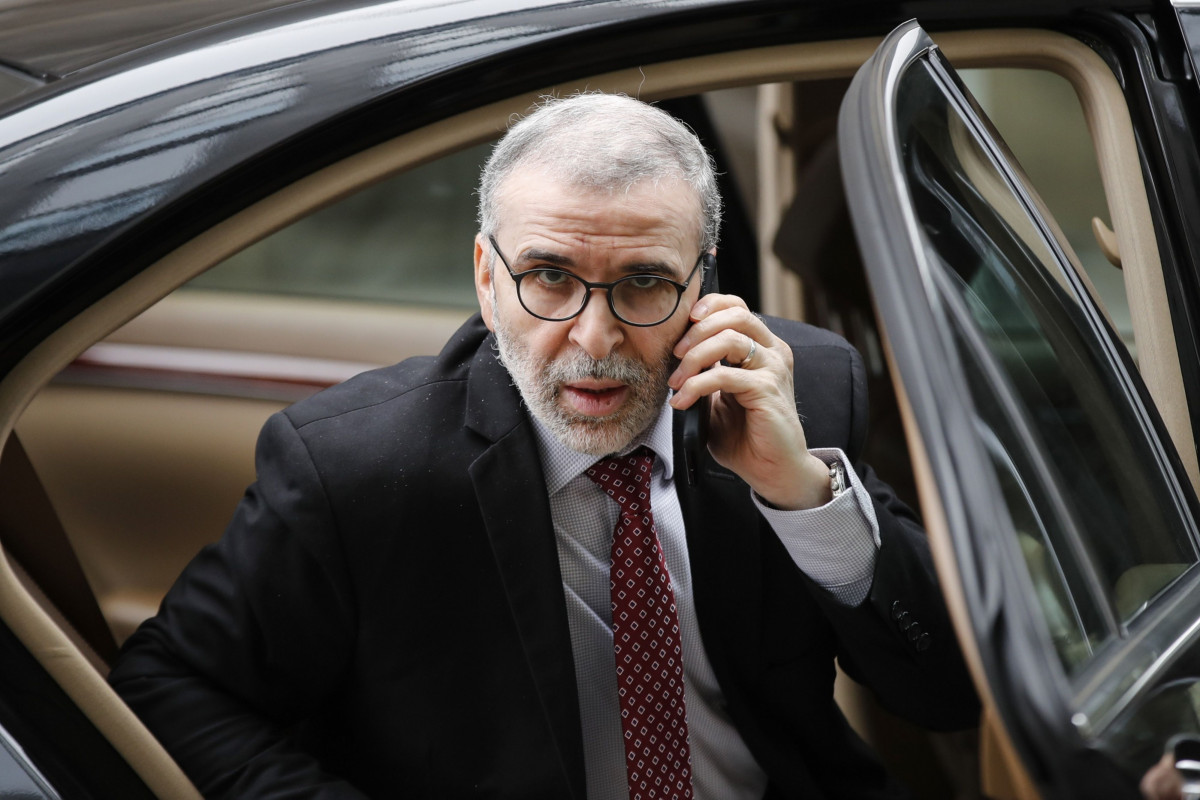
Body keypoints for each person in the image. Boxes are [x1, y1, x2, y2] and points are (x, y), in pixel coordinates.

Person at [109, 92, 979, 799]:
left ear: (703, 282)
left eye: (645, 282)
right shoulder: (356, 464)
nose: (594, 338)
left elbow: (944, 695)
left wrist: (801, 494)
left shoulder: (799, 392)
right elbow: (170, 687)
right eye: (550, 277)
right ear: (487, 280)